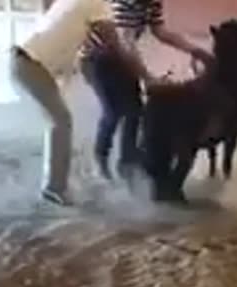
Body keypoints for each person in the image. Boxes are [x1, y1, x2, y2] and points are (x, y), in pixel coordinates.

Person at [9, 0, 157, 206]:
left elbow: (62, 33)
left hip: (24, 61)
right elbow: (116, 46)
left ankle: (57, 182)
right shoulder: (98, 4)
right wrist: (148, 77)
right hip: (30, 64)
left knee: (59, 120)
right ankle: (54, 188)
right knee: (61, 121)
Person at [80, 0, 214, 180]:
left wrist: (195, 50)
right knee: (113, 111)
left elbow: (160, 31)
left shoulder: (152, 2)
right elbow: (125, 43)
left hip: (121, 56)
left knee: (135, 110)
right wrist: (148, 78)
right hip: (97, 59)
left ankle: (127, 162)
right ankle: (100, 160)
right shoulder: (122, 3)